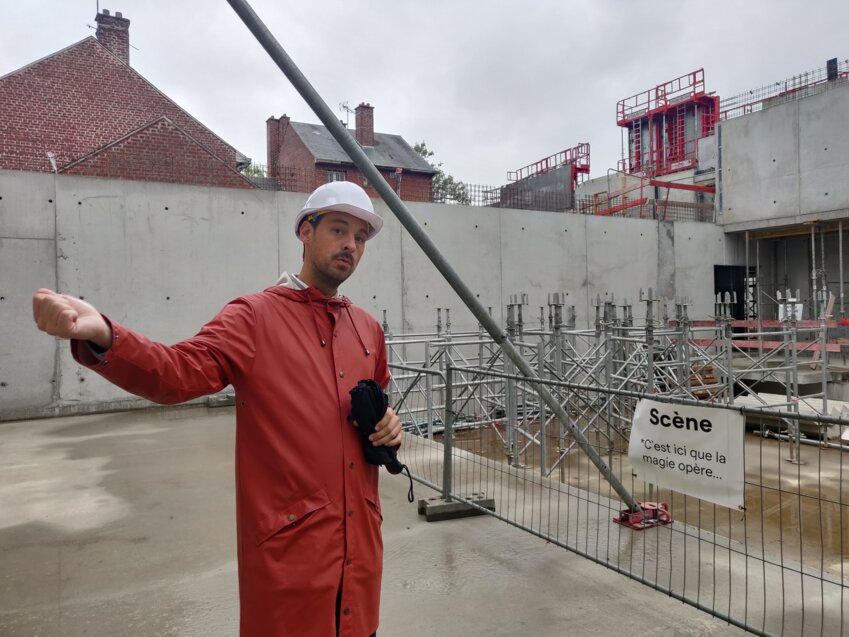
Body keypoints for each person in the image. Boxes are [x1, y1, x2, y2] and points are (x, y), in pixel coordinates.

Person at [32, 181, 402, 637]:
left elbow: (379, 405)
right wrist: (105, 335)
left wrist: (390, 426)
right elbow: (177, 372)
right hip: (291, 565)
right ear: (306, 232)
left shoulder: (367, 328)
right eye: (339, 229)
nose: (350, 245)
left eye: (360, 237)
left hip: (361, 563)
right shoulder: (254, 317)